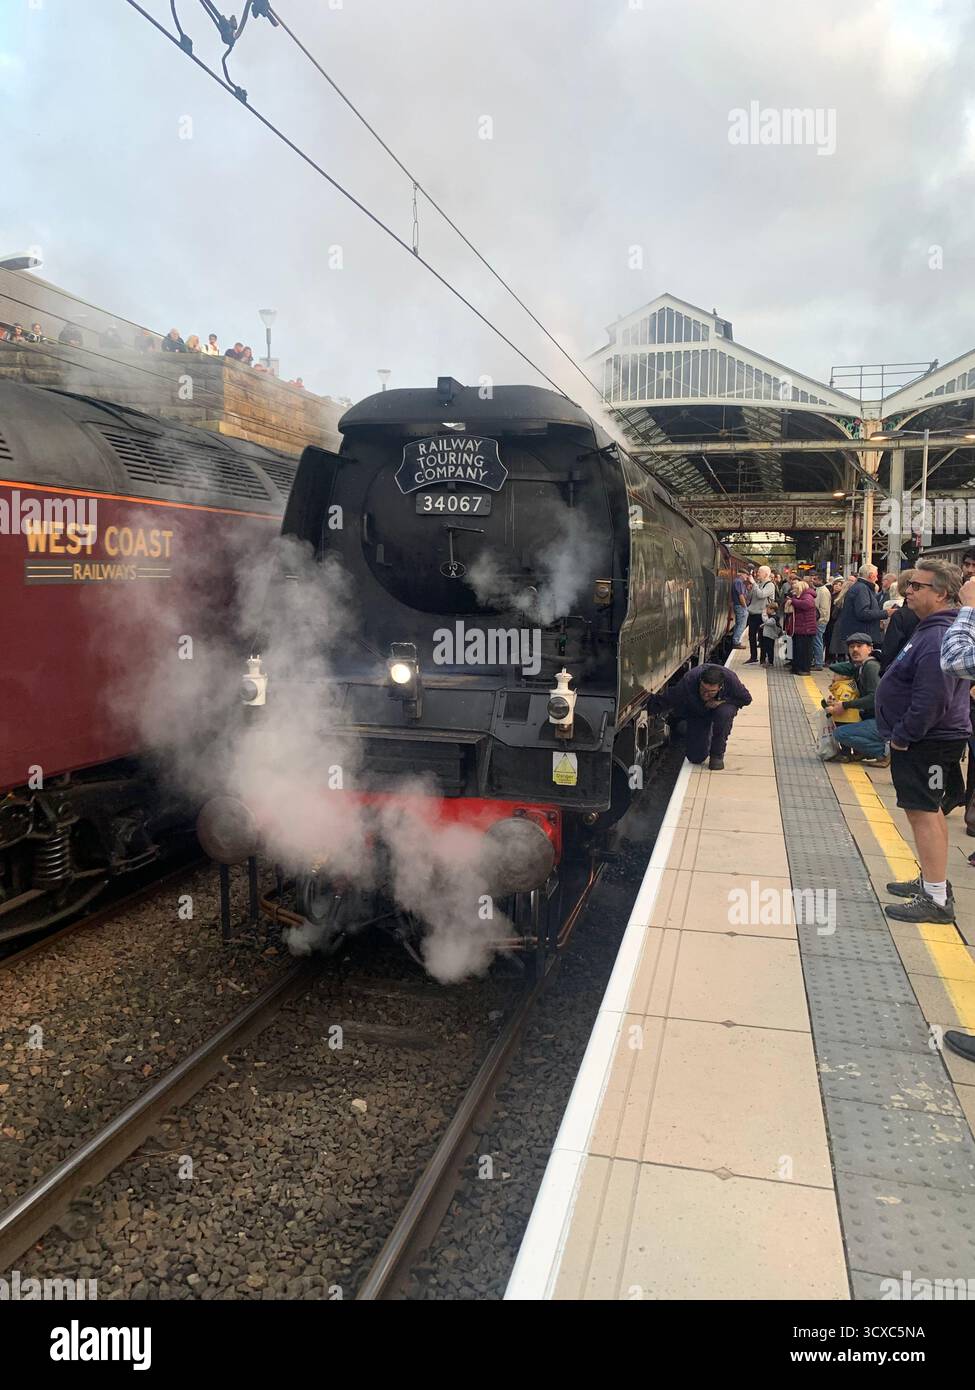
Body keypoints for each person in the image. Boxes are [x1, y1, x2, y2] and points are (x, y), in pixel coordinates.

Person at [876, 559, 970, 924]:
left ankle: (935, 899)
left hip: (927, 741)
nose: (908, 590)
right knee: (925, 811)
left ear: (941, 593)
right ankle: (933, 882)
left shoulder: (936, 636)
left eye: (917, 586)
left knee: (924, 812)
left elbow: (932, 698)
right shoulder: (932, 628)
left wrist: (903, 736)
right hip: (930, 739)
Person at [647, 663, 752, 771]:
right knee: (695, 757)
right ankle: (706, 734)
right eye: (703, 689)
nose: (706, 695)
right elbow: (671, 697)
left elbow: (746, 699)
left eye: (711, 692)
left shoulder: (731, 680)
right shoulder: (689, 680)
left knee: (724, 714)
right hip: (698, 711)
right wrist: (647, 707)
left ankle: (717, 755)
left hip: (722, 709)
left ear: (720, 687)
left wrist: (720, 702)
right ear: (700, 681)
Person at [824, 633, 886, 763]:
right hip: (877, 719)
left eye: (859, 646)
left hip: (883, 722)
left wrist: (845, 705)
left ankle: (883, 751)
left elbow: (874, 697)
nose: (855, 650)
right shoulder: (861, 666)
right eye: (852, 647)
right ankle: (863, 751)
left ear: (870, 649)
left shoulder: (871, 667)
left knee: (840, 733)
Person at [834, 562, 884, 648]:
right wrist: (886, 613)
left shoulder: (859, 587)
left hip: (859, 635)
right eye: (876, 575)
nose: (877, 579)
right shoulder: (862, 589)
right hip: (862, 636)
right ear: (871, 575)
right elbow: (863, 613)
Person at [878, 570, 919, 672]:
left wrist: (884, 671)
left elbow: (890, 649)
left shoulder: (901, 615)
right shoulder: (930, 613)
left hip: (902, 670)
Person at [745, 565, 776, 663]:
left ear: (766, 574)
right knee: (751, 636)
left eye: (759, 572)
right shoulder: (757, 584)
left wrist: (754, 584)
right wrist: (750, 589)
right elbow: (750, 597)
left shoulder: (770, 585)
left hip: (763, 614)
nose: (757, 574)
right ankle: (753, 657)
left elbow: (761, 595)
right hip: (753, 613)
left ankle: (763, 658)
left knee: (763, 637)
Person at [785, 579, 817, 675]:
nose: (793, 591)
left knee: (804, 650)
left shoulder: (807, 596)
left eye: (795, 589)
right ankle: (797, 667)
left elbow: (807, 604)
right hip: (800, 627)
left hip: (806, 628)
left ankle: (804, 669)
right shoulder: (801, 596)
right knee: (798, 649)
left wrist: (793, 601)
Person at [813, 575, 831, 670]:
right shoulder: (819, 590)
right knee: (817, 641)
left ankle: (818, 663)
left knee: (817, 641)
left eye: (815, 579)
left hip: (820, 621)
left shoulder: (823, 592)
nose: (813, 581)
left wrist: (820, 620)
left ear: (821, 580)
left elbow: (824, 609)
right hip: (818, 620)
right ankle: (816, 661)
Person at [731, 569, 750, 649]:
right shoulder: (738, 582)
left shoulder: (737, 582)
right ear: (741, 574)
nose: (747, 576)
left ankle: (736, 641)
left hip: (738, 606)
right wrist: (745, 607)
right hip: (740, 606)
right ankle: (736, 642)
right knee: (741, 625)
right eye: (746, 574)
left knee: (738, 624)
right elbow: (741, 596)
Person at [760, 601, 779, 666]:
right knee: (767, 648)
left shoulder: (774, 617)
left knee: (769, 649)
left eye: (768, 609)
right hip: (767, 635)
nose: (766, 610)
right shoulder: (772, 617)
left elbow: (768, 622)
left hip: (770, 636)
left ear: (772, 610)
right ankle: (768, 661)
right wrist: (763, 625)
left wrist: (764, 614)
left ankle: (770, 662)